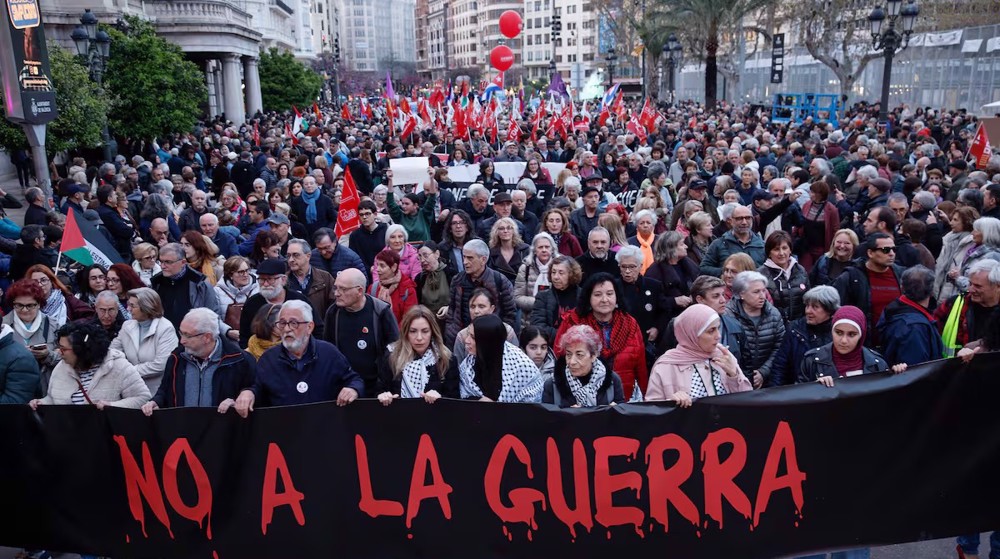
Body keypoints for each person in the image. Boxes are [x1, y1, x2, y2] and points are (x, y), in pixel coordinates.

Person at [234, 300, 365, 414]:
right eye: (282, 323)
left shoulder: (329, 353)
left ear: (309, 327)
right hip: (285, 432)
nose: (287, 329)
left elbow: (354, 379)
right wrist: (248, 393)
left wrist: (353, 389)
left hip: (324, 429)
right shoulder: (269, 359)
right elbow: (257, 386)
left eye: (293, 323)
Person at [143, 307, 256, 415]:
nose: (182, 341)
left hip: (222, 431)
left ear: (207, 337)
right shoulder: (176, 357)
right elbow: (164, 390)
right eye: (181, 333)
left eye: (187, 335)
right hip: (183, 431)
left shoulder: (239, 360)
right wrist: (156, 402)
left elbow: (255, 392)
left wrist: (239, 400)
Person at [554, 273, 647, 400]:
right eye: (598, 295)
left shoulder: (630, 324)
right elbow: (560, 361)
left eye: (609, 294)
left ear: (616, 296)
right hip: (580, 401)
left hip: (624, 400)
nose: (604, 299)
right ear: (589, 297)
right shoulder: (573, 322)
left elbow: (640, 367)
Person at [646, 304, 752, 406]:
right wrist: (670, 403)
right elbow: (653, 411)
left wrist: (733, 376)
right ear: (692, 334)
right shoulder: (666, 366)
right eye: (711, 331)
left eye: (717, 328)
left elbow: (747, 402)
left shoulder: (724, 356)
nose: (718, 336)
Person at [29, 321, 150, 410]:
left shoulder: (118, 366)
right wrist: (42, 403)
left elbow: (142, 397)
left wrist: (112, 406)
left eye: (63, 349)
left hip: (106, 438)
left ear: (81, 350)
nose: (59, 353)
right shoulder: (61, 367)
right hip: (69, 437)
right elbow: (53, 398)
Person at [323, 268, 400, 397]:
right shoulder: (333, 313)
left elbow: (394, 350)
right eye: (336, 288)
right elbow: (328, 350)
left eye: (343, 289)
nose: (337, 293)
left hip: (377, 391)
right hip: (344, 389)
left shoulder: (381, 312)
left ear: (359, 291)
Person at [799, 305, 905, 385]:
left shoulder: (877, 364)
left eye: (852, 334)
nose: (844, 340)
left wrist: (899, 375)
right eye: (839, 332)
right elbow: (798, 399)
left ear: (861, 335)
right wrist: (815, 388)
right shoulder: (812, 361)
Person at [375, 305, 460, 405]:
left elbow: (455, 401)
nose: (419, 338)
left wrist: (440, 398)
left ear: (432, 332)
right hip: (399, 417)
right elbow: (380, 390)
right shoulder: (392, 355)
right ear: (406, 332)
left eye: (425, 331)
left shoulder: (446, 358)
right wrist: (384, 396)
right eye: (413, 331)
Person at [832, 233, 904, 346]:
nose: (891, 254)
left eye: (894, 249)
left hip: (895, 342)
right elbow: (836, 309)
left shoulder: (901, 274)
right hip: (863, 345)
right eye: (886, 250)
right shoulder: (851, 277)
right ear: (870, 253)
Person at [444, 239, 516, 346]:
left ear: (483, 260)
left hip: (491, 337)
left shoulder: (499, 280)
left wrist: (500, 334)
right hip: (461, 338)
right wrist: (451, 331)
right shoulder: (457, 280)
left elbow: (510, 313)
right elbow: (452, 309)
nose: (465, 262)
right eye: (464, 257)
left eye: (470, 258)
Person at [458, 314, 543, 403]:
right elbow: (464, 397)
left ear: (487, 341)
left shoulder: (522, 366)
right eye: (468, 335)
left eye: (473, 337)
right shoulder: (468, 363)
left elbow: (531, 408)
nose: (466, 341)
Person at [111, 288, 179, 395]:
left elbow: (161, 364)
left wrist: (128, 372)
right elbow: (113, 352)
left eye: (133, 306)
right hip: (130, 390)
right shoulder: (127, 325)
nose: (128, 309)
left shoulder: (165, 328)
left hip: (156, 392)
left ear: (146, 307)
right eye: (128, 304)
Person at [770, 285, 841, 387]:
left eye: (815, 307)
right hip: (798, 391)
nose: (808, 311)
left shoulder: (839, 331)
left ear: (829, 310)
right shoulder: (795, 329)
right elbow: (780, 366)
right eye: (807, 306)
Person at [725, 271, 785, 388]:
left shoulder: (773, 314)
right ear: (742, 294)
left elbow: (780, 346)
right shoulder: (728, 316)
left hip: (767, 379)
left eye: (763, 290)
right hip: (735, 379)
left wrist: (763, 372)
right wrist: (743, 374)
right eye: (756, 292)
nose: (762, 296)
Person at [876, 265, 945, 367]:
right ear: (931, 291)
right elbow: (916, 370)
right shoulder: (915, 327)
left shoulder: (894, 308)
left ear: (902, 287)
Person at [542, 324, 625, 407]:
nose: (572, 362)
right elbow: (547, 418)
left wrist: (612, 412)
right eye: (568, 354)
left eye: (579, 355)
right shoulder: (552, 385)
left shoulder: (612, 380)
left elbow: (622, 416)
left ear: (593, 355)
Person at [238, 257, 310, 348]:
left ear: (283, 280)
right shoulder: (252, 303)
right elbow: (244, 337)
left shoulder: (299, 300)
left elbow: (316, 329)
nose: (265, 284)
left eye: (270, 279)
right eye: (262, 279)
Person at [150, 243, 221, 333]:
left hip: (193, 337)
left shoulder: (200, 283)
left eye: (168, 262)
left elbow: (213, 315)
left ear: (183, 262)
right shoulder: (156, 282)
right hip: (164, 336)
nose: (162, 266)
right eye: (161, 261)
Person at [1, 279, 52, 395]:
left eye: (30, 305)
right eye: (19, 305)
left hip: (45, 390)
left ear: (39, 304)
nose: (24, 310)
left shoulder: (53, 325)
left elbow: (66, 356)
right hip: (10, 388)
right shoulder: (3, 326)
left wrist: (48, 354)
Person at [616, 245, 669, 349]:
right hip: (621, 341)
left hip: (646, 340)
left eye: (632, 267)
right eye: (623, 266)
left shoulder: (654, 286)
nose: (627, 271)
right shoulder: (613, 286)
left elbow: (664, 311)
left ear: (640, 266)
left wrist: (657, 328)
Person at [285, 238, 336, 338]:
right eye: (288, 256)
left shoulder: (325, 278)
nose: (291, 260)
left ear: (308, 256)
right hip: (293, 335)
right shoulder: (283, 282)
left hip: (321, 335)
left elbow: (333, 308)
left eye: (296, 255)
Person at [644, 231, 699, 322]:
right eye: (682, 244)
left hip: (691, 315)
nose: (686, 246)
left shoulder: (688, 265)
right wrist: (674, 301)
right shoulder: (654, 272)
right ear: (671, 248)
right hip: (668, 320)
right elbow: (651, 300)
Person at [700, 204, 766, 276]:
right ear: (731, 221)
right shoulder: (719, 244)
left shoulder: (763, 245)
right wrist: (728, 271)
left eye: (747, 218)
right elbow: (704, 268)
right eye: (739, 218)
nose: (744, 222)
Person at [759, 230, 811, 321]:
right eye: (776, 249)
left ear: (790, 250)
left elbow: (808, 300)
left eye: (784, 248)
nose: (781, 253)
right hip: (773, 327)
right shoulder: (760, 275)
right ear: (769, 253)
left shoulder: (800, 270)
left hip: (798, 327)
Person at [530, 254, 582, 341]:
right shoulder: (543, 297)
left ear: (571, 274)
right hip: (551, 344)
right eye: (553, 272)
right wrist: (564, 336)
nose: (555, 277)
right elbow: (538, 326)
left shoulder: (582, 296)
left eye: (561, 273)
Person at [26, 264, 94, 329]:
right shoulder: (25, 303)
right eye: (34, 282)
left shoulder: (66, 298)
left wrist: (71, 326)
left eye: (43, 280)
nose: (40, 285)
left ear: (51, 281)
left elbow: (90, 315)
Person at [934, 206, 977, 303]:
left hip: (956, 295)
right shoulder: (948, 238)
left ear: (966, 222)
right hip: (940, 290)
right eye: (952, 219)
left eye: (955, 220)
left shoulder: (971, 244)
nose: (951, 222)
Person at [797, 180, 841, 271]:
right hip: (805, 245)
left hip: (821, 247)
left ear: (820, 194)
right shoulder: (807, 205)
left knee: (819, 270)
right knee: (804, 269)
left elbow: (835, 229)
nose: (810, 194)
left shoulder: (832, 210)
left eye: (813, 192)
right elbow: (800, 222)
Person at [214, 255, 258, 343]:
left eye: (247, 270)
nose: (246, 275)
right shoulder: (217, 291)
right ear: (230, 275)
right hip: (229, 340)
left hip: (256, 338)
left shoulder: (258, 287)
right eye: (241, 272)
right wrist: (228, 331)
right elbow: (214, 318)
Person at [370, 249, 418, 327]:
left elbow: (409, 320)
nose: (377, 269)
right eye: (377, 265)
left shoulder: (407, 290)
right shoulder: (373, 288)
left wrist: (393, 334)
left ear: (394, 267)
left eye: (382, 266)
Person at [513, 233, 556, 315]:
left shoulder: (559, 267)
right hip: (530, 318)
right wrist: (539, 303)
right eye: (540, 247)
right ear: (534, 251)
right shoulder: (525, 268)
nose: (544, 250)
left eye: (547, 247)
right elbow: (517, 297)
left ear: (552, 249)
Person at [415, 241, 454, 320]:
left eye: (425, 255)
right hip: (427, 320)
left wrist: (448, 309)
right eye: (419, 256)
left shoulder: (451, 274)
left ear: (437, 254)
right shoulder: (420, 278)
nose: (422, 260)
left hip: (448, 319)